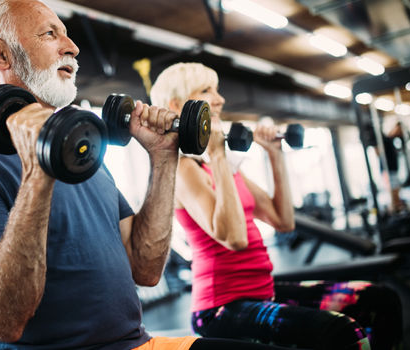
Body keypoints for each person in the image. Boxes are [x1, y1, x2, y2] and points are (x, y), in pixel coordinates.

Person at [0, 1, 303, 350]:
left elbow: (145, 269)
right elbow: (3, 321)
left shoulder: (83, 151)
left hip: (138, 342)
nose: (73, 47)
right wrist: (38, 173)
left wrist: (163, 157)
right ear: (0, 53)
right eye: (50, 34)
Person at [150, 62, 403, 350]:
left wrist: (274, 153)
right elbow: (234, 238)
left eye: (217, 90)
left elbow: (283, 221)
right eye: (207, 91)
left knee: (379, 299)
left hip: (262, 290)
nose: (220, 99)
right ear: (177, 104)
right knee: (343, 333)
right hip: (221, 308)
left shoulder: (225, 166)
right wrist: (218, 156)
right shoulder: (184, 169)